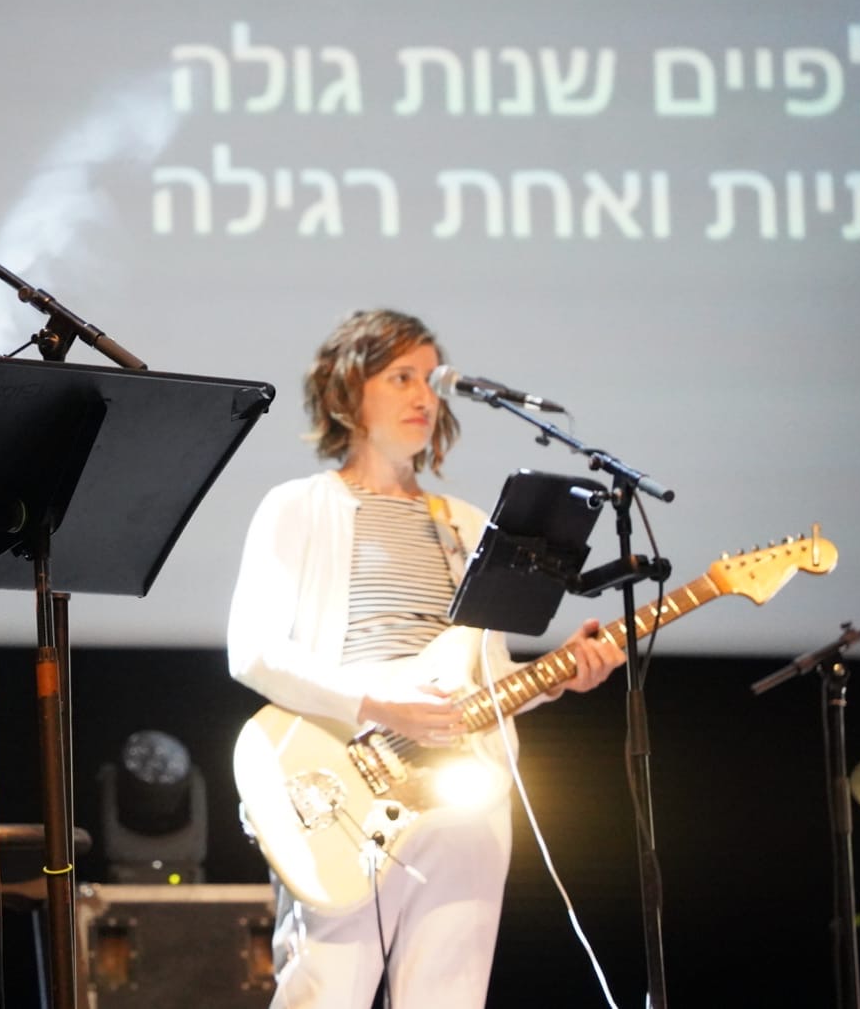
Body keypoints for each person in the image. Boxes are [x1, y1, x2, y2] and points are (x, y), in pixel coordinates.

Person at [225, 309, 626, 1009]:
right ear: (347, 392)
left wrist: (560, 675)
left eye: (433, 381)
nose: (424, 396)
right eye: (401, 377)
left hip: (463, 791)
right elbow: (253, 651)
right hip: (345, 778)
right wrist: (380, 705)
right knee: (325, 991)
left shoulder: (468, 523)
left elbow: (486, 682)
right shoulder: (298, 506)